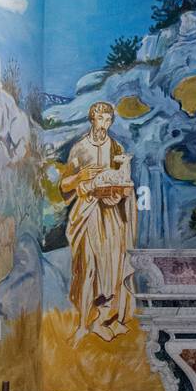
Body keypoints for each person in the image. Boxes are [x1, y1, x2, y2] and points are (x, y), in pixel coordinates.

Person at [61, 102, 136, 343]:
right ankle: (83, 323)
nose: (104, 125)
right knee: (89, 268)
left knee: (111, 269)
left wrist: (120, 192)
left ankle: (102, 320)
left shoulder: (117, 147)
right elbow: (64, 186)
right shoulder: (80, 148)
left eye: (108, 120)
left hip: (112, 216)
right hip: (88, 214)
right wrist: (80, 178)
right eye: (100, 119)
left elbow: (124, 182)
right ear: (92, 119)